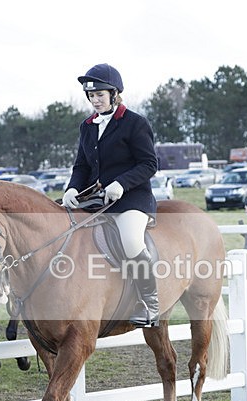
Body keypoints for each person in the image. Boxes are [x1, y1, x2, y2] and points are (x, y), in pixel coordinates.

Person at [62, 63, 160, 327]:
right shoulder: (87, 126)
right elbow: (82, 165)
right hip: (98, 199)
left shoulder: (135, 123)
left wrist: (121, 183)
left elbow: (149, 164)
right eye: (91, 96)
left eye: (100, 95)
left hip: (131, 199)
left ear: (114, 94)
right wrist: (72, 188)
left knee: (130, 241)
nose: (95, 100)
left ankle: (150, 304)